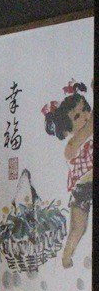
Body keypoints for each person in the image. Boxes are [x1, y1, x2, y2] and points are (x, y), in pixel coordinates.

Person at [43, 80, 93, 268]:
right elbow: (86, 131)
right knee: (78, 229)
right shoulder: (71, 145)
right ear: (68, 129)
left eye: (85, 110)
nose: (85, 116)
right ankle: (66, 258)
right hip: (82, 189)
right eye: (77, 116)